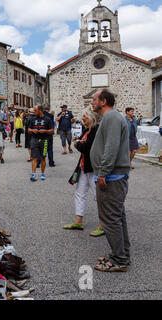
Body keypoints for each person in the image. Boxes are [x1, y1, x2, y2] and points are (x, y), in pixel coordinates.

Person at [90, 89, 131, 272]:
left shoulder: (112, 118)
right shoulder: (110, 118)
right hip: (113, 175)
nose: (92, 102)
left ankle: (119, 260)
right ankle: (122, 255)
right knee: (117, 217)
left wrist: (103, 173)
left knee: (111, 219)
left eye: (94, 99)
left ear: (103, 101)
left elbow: (111, 147)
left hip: (111, 177)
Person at [63, 111, 104, 237]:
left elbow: (86, 147)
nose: (82, 118)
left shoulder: (96, 130)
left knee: (99, 197)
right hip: (83, 167)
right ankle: (78, 222)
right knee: (79, 193)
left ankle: (103, 226)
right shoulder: (87, 130)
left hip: (93, 168)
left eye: (85, 116)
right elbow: (80, 143)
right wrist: (79, 143)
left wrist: (78, 144)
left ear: (91, 117)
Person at [28, 105, 53, 181]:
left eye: (35, 110)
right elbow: (28, 129)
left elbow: (52, 130)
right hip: (34, 139)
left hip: (44, 140)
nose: (34, 112)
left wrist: (45, 131)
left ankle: (43, 173)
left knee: (43, 157)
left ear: (40, 110)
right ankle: (33, 174)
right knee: (34, 158)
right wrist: (33, 130)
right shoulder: (32, 119)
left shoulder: (48, 119)